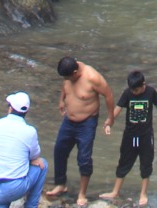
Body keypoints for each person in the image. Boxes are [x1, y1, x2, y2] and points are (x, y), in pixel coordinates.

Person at [47, 54, 114, 207]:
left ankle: (82, 193)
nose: (67, 79)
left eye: (69, 77)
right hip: (68, 121)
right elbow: (65, 84)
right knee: (59, 150)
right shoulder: (69, 71)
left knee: (84, 159)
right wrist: (61, 100)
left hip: (87, 123)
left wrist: (110, 118)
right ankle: (60, 184)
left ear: (76, 73)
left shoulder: (93, 78)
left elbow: (108, 95)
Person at [99, 70, 157, 208]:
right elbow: (117, 109)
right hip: (130, 135)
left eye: (136, 90)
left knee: (146, 163)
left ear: (143, 84)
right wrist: (108, 122)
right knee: (124, 162)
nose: (134, 92)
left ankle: (143, 193)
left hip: (146, 135)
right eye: (132, 90)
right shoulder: (127, 93)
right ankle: (115, 191)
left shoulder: (151, 92)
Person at [0, 91, 47, 208]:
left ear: (10, 108)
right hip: (14, 188)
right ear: (26, 112)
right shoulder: (30, 131)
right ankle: (31, 206)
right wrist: (29, 160)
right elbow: (35, 156)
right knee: (43, 165)